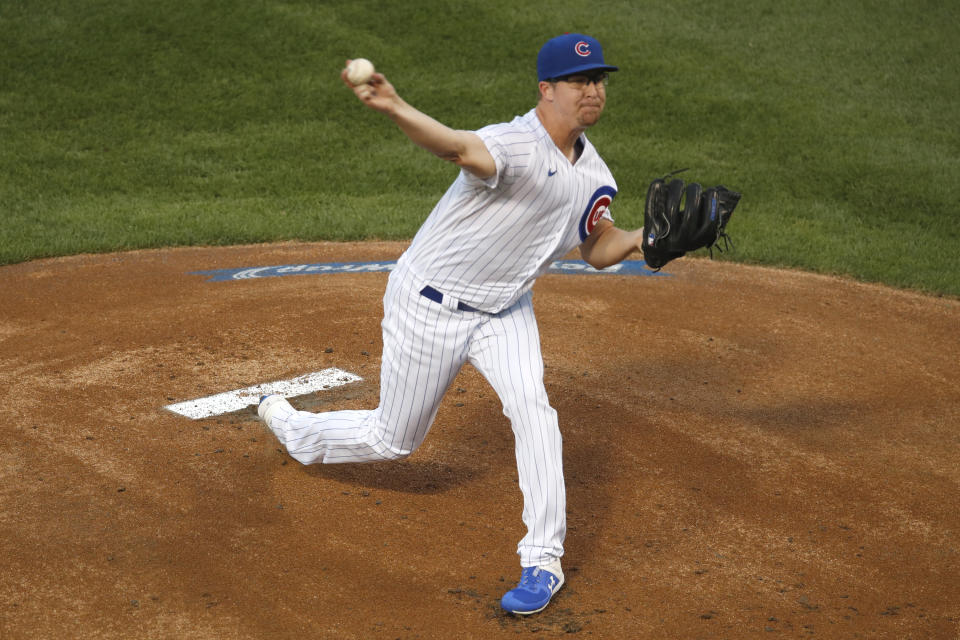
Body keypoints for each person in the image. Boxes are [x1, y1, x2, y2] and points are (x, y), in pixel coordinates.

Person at [258, 33, 647, 615]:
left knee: (535, 412)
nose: (592, 91)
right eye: (578, 81)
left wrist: (647, 240)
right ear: (546, 90)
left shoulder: (593, 171)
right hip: (429, 305)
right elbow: (456, 148)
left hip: (506, 310)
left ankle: (543, 561)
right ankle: (293, 428)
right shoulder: (513, 143)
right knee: (394, 440)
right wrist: (394, 106)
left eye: (597, 81)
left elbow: (597, 245)